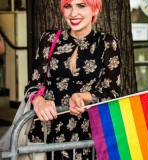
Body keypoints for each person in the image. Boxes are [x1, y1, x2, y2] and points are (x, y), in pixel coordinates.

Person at [24, 0, 121, 159]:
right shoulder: (49, 38)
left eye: (81, 5)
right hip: (44, 134)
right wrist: (39, 101)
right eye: (68, 6)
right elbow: (32, 85)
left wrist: (84, 96)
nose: (73, 13)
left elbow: (112, 93)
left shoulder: (106, 43)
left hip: (85, 136)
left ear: (95, 10)